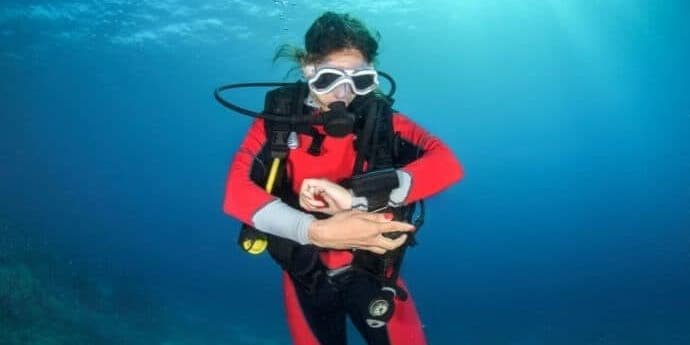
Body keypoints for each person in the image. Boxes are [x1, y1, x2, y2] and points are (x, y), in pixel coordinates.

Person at [222, 11, 463, 345]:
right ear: (308, 69)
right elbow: (236, 192)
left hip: (376, 274)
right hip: (305, 277)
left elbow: (448, 164)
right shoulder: (277, 121)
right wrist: (314, 231)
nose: (343, 94)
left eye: (359, 81)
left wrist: (357, 199)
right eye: (329, 79)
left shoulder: (381, 122)